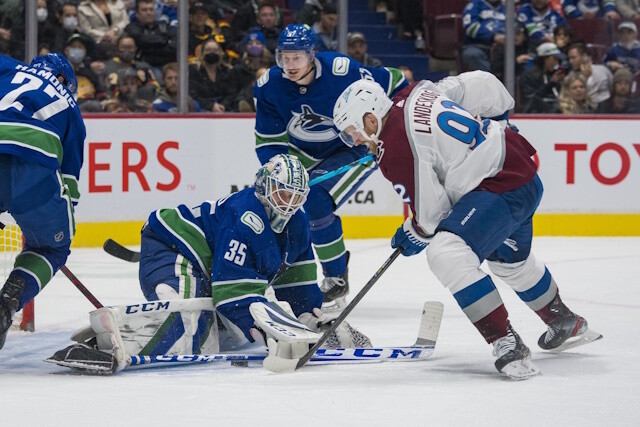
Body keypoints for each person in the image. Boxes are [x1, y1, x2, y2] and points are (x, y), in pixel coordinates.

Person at [332, 75, 602, 380]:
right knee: (509, 263)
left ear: (370, 119)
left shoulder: (394, 148)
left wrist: (413, 232)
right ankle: (564, 321)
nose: (354, 141)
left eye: (352, 132)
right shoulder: (416, 91)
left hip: (499, 187)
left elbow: (433, 216)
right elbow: (482, 84)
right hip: (519, 167)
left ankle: (506, 342)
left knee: (446, 252)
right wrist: (501, 121)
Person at [56, 155, 370, 370]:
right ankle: (108, 343)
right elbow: (231, 291)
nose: (288, 203)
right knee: (193, 331)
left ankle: (147, 324)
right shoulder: (245, 218)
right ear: (264, 186)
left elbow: (297, 281)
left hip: (211, 265)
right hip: (172, 247)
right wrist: (266, 332)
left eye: (295, 196)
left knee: (223, 336)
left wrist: (311, 318)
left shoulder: (297, 222)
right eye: (281, 193)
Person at [253, 23, 408, 309]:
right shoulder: (269, 86)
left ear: (312, 54)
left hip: (352, 148)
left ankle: (336, 279)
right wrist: (278, 174)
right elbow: (269, 143)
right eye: (284, 58)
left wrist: (399, 126)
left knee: (316, 202)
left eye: (297, 57)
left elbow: (395, 81)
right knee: (274, 202)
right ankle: (270, 276)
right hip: (303, 155)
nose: (290, 65)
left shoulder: (342, 71)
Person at [0, 53, 86, 349]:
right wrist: (53, 231)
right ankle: (6, 304)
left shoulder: (9, 66)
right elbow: (69, 186)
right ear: (64, 79)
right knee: (51, 247)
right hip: (35, 163)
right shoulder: (72, 109)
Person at [188, 39, 240, 112]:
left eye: (215, 50)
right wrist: (211, 106)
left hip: (224, 110)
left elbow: (232, 94)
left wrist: (223, 106)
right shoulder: (194, 70)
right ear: (202, 53)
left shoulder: (228, 71)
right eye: (208, 50)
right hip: (201, 109)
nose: (212, 52)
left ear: (220, 53)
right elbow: (193, 94)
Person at [519, 42, 565, 113]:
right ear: (544, 58)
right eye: (554, 59)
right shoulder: (528, 76)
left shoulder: (552, 74)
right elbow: (532, 100)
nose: (557, 63)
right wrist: (551, 84)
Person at [461, 0, 506, 72]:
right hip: (478, 46)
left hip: (503, 47)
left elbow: (516, 26)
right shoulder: (474, 5)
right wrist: (493, 36)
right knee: (471, 54)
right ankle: (492, 79)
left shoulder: (505, 8)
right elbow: (470, 28)